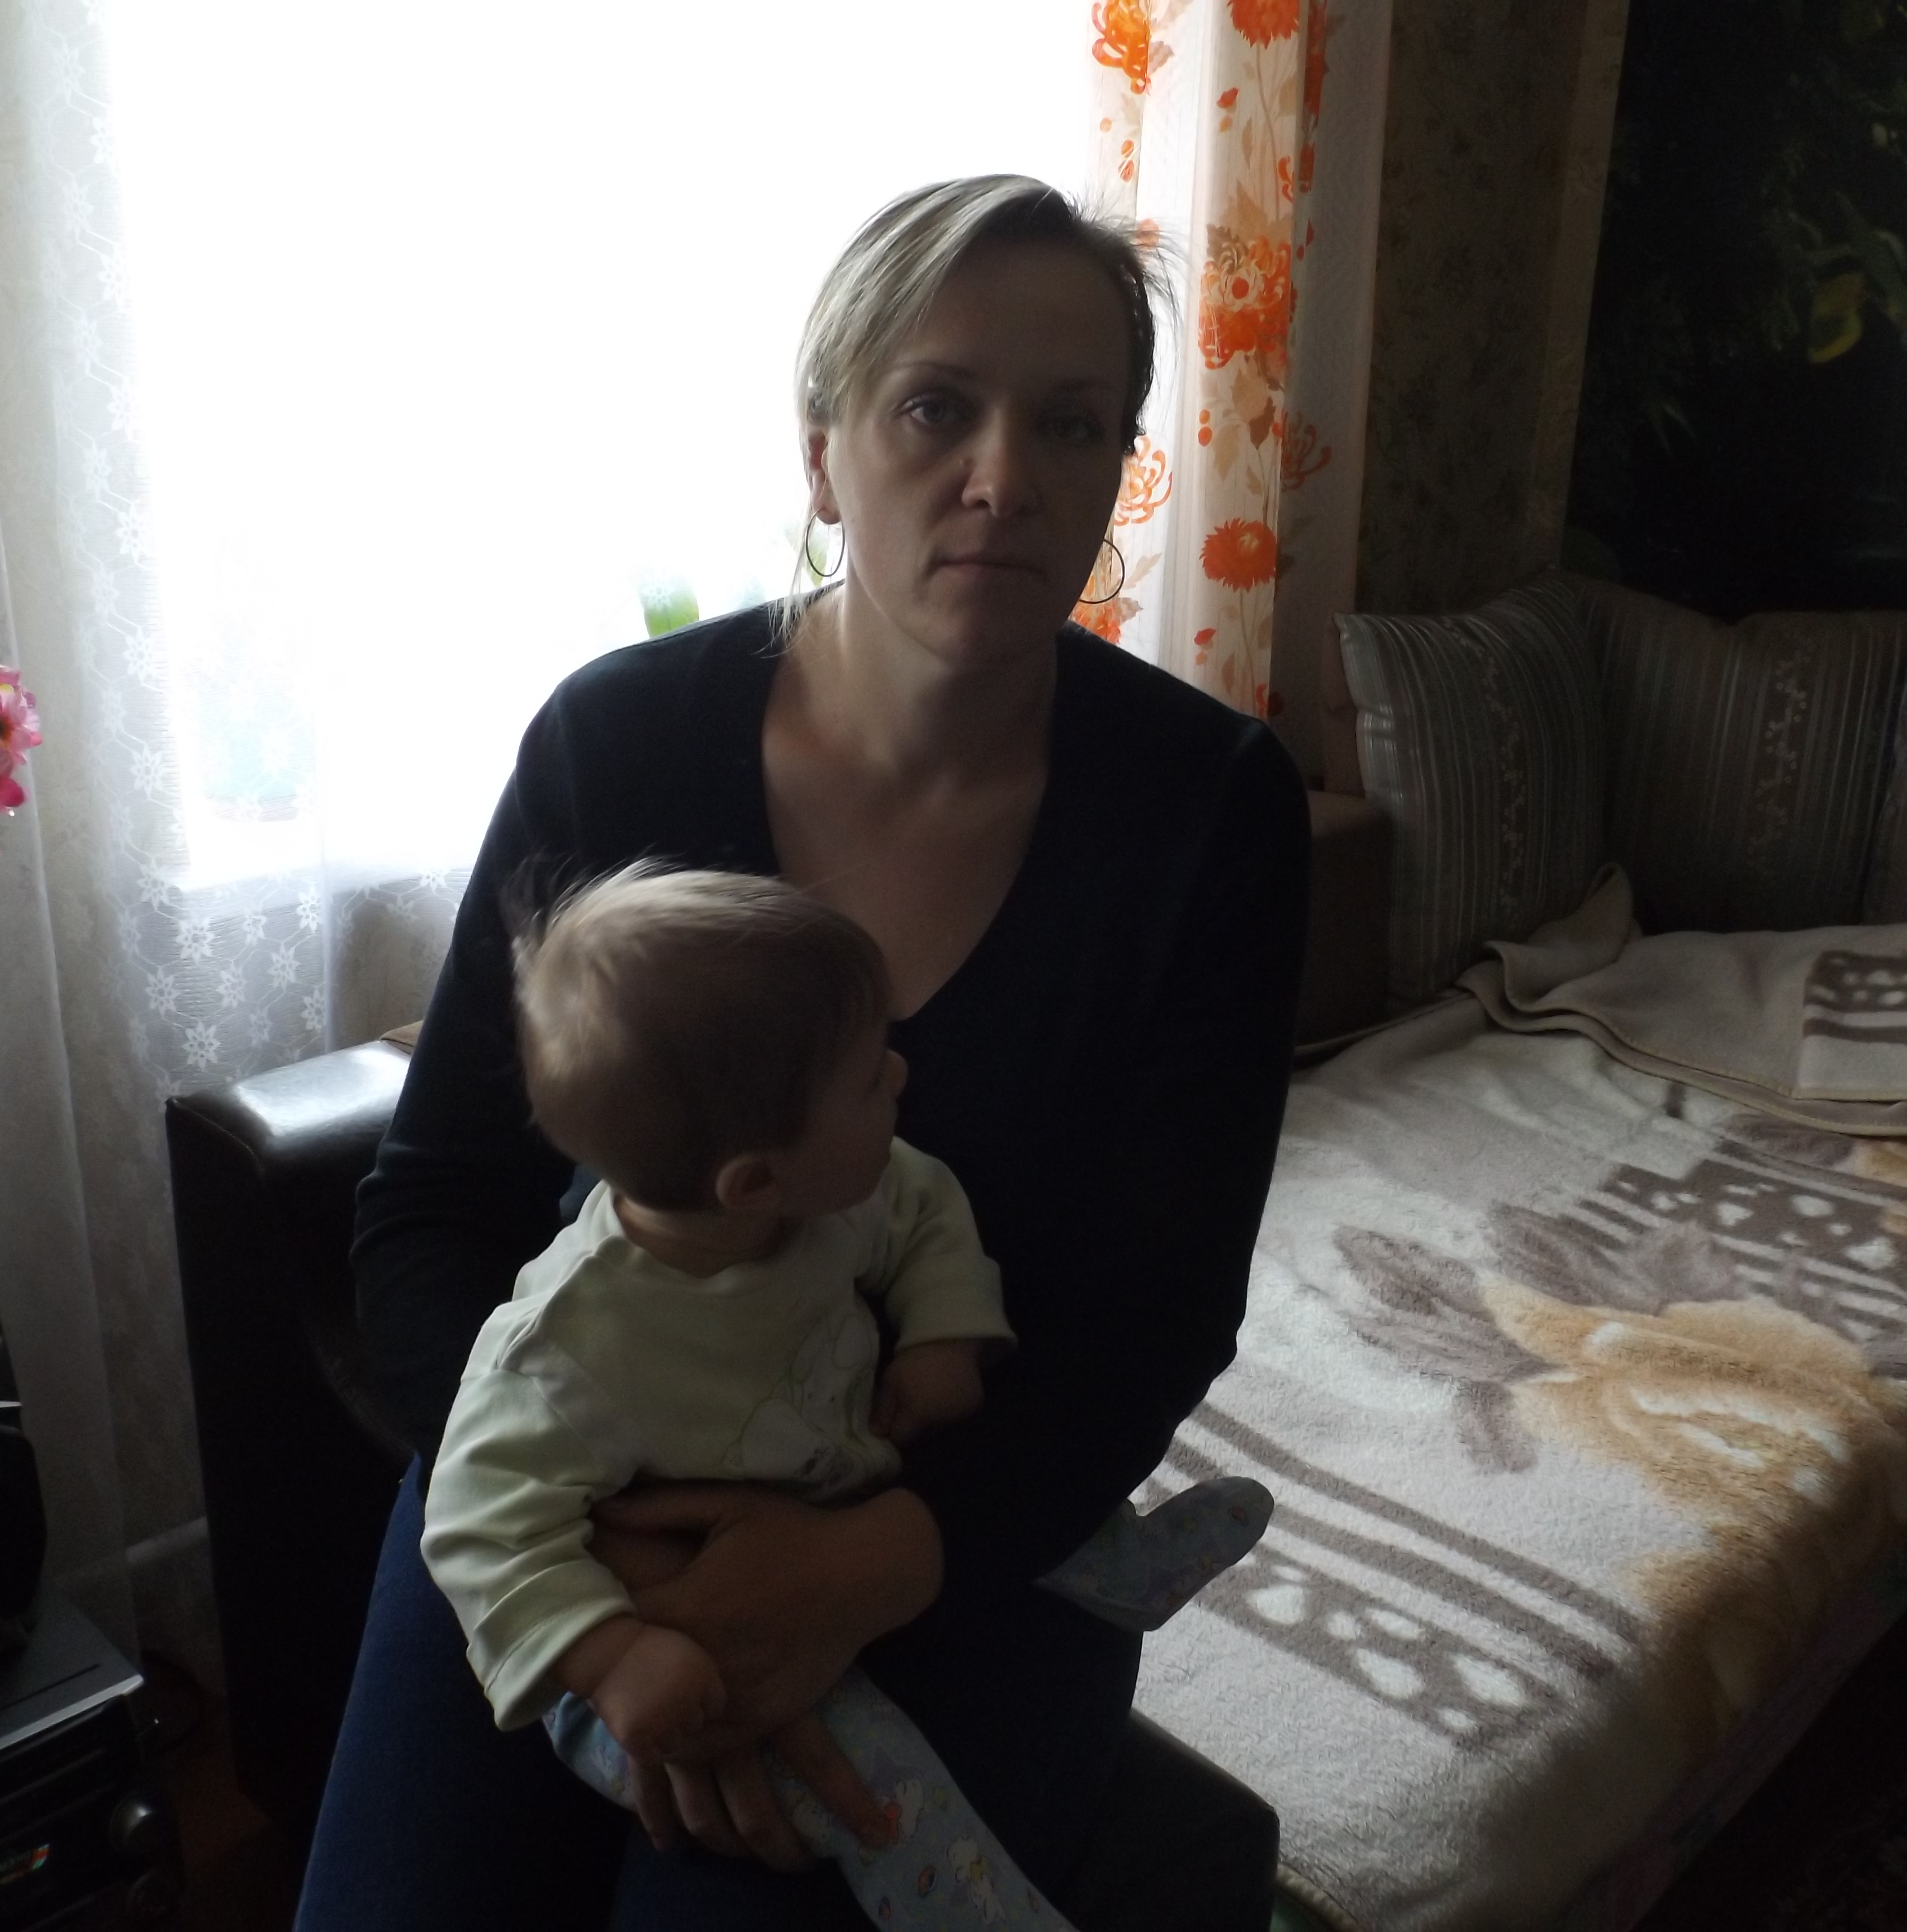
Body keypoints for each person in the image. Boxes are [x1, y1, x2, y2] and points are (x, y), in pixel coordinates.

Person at [299, 173, 1310, 1932]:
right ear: (823, 450)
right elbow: (429, 1213)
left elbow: (1155, 1318)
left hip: (960, 1535)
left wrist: (862, 1566)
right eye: (936, 408)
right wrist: (616, 1573)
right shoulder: (616, 746)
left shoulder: (1208, 813)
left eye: (1074, 424)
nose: (1004, 477)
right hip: (559, 1502)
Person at [421, 864, 1275, 1931]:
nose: (902, 1076)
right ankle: (975, 1907)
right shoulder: (564, 1354)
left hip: (843, 1491)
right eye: (869, 1079)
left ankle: (1119, 1564)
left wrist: (942, 1332)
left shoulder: (830, 1195)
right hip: (655, 1641)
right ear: (753, 1181)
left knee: (1020, 1478)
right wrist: (612, 1654)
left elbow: (924, 1209)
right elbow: (476, 1528)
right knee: (871, 1777)